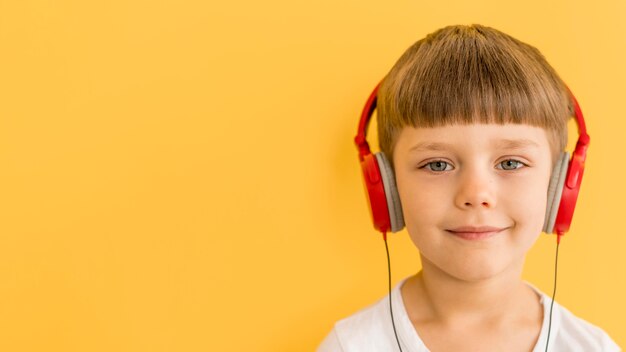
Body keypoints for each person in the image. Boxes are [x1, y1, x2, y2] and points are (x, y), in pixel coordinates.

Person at [318, 24, 620, 351]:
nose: (476, 195)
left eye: (510, 163)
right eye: (437, 164)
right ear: (387, 188)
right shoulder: (350, 346)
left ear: (559, 186)